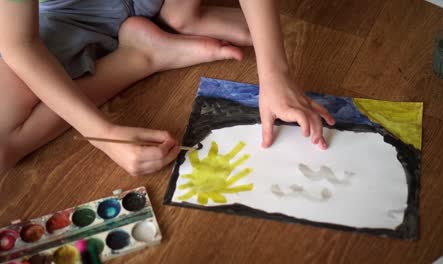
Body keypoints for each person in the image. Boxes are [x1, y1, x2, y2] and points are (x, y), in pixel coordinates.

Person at [0, 0, 335, 176]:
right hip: (71, 13)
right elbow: (19, 44)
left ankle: (181, 15)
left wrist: (275, 74)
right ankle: (140, 56)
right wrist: (105, 133)